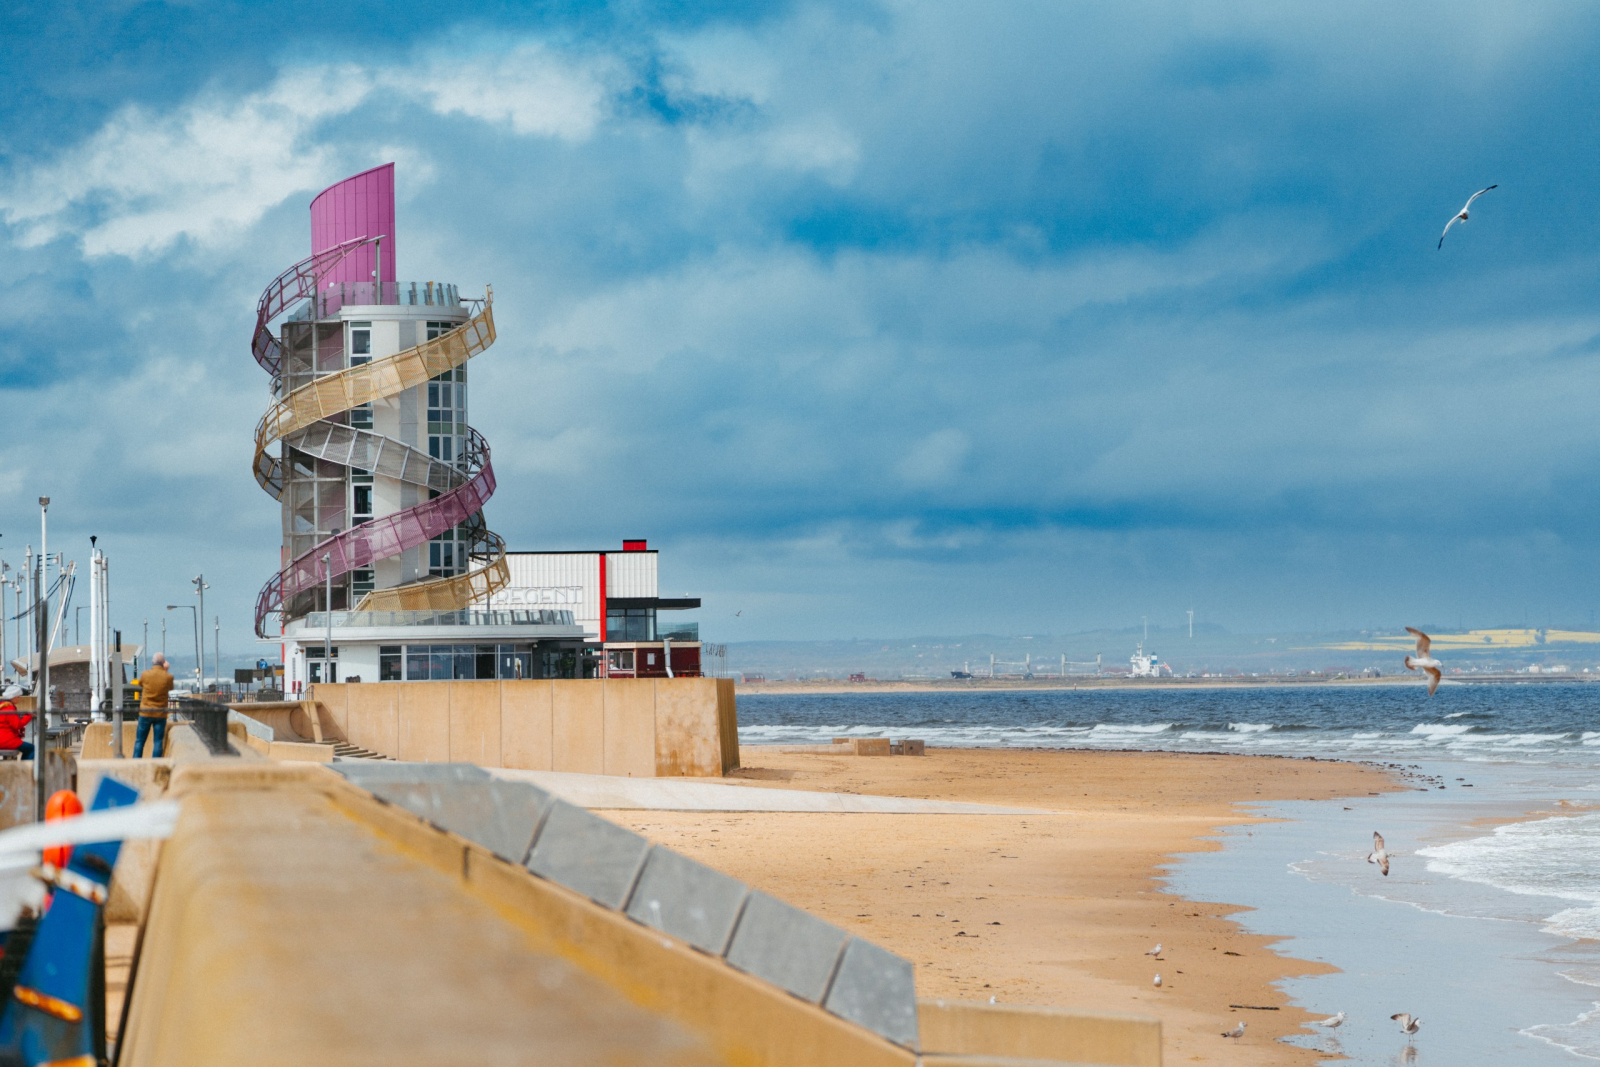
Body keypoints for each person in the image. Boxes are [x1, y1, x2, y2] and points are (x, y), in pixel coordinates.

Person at [134, 653, 175, 758]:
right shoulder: (168, 677)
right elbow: (170, 687)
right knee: (158, 742)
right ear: (163, 663)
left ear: (153, 662)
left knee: (139, 741)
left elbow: (140, 684)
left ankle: (135, 762)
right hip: (160, 714)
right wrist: (165, 671)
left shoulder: (145, 674)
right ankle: (155, 763)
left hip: (145, 712)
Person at [0, 686, 34, 760]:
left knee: (27, 749)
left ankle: (23, 767)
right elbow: (17, 725)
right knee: (32, 749)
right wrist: (28, 716)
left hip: (3, 739)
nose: (19, 699)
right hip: (6, 740)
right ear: (14, 697)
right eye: (18, 697)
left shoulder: (2, 706)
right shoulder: (9, 708)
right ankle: (25, 769)